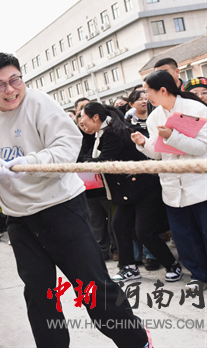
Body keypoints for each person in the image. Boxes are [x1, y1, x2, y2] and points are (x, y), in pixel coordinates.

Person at [0, 53, 150, 348]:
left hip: (61, 208)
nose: (10, 90)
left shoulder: (40, 103)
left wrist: (30, 162)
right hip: (19, 217)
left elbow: (68, 145)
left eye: (15, 80)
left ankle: (137, 341)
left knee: (92, 288)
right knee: (39, 296)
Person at [78, 102, 178, 283]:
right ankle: (128, 267)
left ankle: (172, 265)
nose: (80, 120)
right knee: (119, 226)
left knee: (144, 232)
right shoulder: (103, 132)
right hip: (125, 190)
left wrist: (82, 162)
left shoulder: (112, 133)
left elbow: (105, 161)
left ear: (95, 117)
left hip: (143, 188)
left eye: (82, 116)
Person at [131, 70, 207, 291]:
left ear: (162, 90)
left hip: (199, 183)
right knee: (184, 237)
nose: (146, 97)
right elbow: (158, 153)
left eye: (148, 92)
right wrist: (143, 143)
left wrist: (172, 136)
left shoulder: (196, 109)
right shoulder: (154, 117)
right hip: (172, 186)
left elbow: (202, 147)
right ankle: (199, 276)